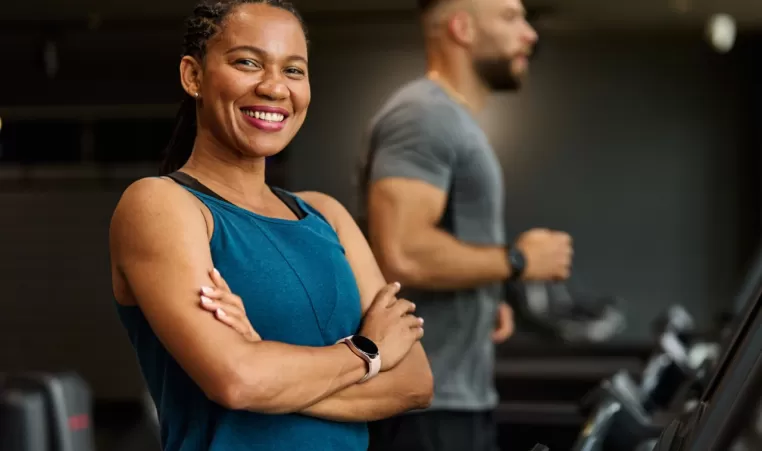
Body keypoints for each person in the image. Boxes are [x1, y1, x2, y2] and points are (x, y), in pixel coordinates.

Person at [109, 1, 433, 450]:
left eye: (294, 70)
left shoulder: (326, 215)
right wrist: (366, 350)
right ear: (194, 76)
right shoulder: (161, 205)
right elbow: (236, 381)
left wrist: (269, 372)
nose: (275, 87)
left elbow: (414, 382)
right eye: (247, 62)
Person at [359, 0, 574, 450]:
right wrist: (518, 261)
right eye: (511, 17)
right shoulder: (423, 115)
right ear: (462, 28)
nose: (530, 35)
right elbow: (403, 250)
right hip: (425, 404)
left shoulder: (453, 120)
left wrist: (485, 296)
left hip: (458, 395)